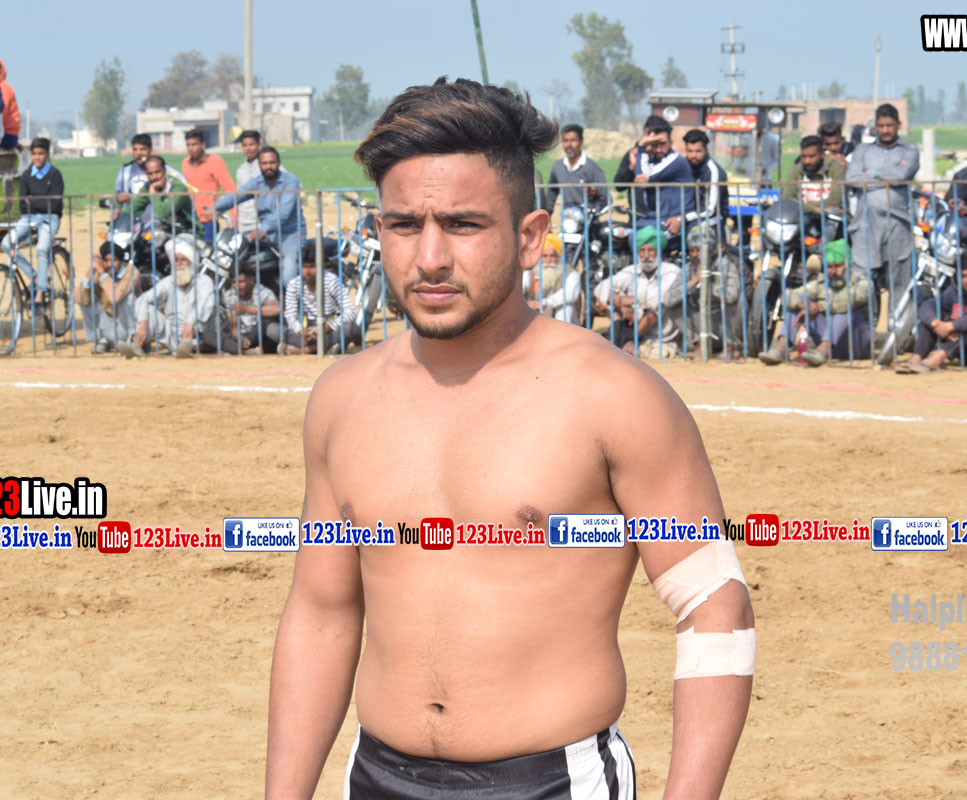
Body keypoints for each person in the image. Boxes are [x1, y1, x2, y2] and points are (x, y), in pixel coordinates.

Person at [269, 78, 752, 800]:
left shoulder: (613, 396)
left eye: (463, 225)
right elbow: (321, 612)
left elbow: (714, 604)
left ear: (530, 237)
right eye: (404, 225)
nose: (430, 257)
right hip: (374, 776)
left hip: (552, 783)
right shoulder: (341, 399)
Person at [845, 103, 920, 312]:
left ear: (898, 125)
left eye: (890, 125)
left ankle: (897, 329)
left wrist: (869, 175)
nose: (885, 130)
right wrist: (887, 177)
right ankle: (864, 327)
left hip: (898, 223)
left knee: (899, 280)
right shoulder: (863, 150)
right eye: (881, 126)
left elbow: (902, 175)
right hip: (866, 224)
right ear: (875, 127)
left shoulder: (910, 150)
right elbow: (852, 178)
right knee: (862, 280)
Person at [758, 239, 871, 366]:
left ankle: (823, 350)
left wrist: (820, 307)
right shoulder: (820, 283)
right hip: (832, 347)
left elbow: (847, 301)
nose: (833, 271)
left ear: (848, 264)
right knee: (801, 300)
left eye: (838, 266)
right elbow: (788, 297)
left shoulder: (862, 283)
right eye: (829, 267)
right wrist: (803, 306)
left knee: (846, 310)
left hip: (857, 345)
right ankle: (781, 349)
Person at [896, 250, 967, 373]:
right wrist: (937, 324)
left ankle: (937, 358)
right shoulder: (954, 290)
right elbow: (928, 305)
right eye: (964, 276)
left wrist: (951, 326)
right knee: (933, 316)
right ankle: (916, 358)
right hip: (959, 347)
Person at [214, 146, 305, 286]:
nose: (268, 167)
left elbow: (284, 212)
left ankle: (294, 299)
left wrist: (263, 228)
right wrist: (217, 207)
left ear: (279, 163)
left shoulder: (290, 181)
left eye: (272, 162)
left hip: (290, 234)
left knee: (288, 278)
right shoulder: (257, 183)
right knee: (240, 261)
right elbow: (238, 195)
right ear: (259, 165)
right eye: (264, 163)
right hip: (266, 235)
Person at [594, 225, 686, 356]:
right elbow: (600, 288)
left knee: (656, 309)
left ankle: (629, 341)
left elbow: (657, 301)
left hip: (660, 331)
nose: (646, 256)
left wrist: (633, 303)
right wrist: (620, 303)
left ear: (659, 251)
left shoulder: (671, 271)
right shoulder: (631, 270)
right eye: (642, 250)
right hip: (632, 322)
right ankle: (619, 344)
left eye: (651, 250)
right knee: (614, 302)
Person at [119, 237, 215, 358]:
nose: (179, 264)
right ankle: (137, 345)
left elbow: (207, 304)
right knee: (146, 307)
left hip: (196, 334)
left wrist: (191, 321)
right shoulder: (169, 281)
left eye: (183, 260)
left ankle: (187, 347)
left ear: (192, 262)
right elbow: (144, 298)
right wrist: (143, 323)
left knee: (195, 328)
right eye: (177, 260)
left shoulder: (204, 281)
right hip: (172, 334)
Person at [0, 137, 64, 311]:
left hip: (50, 218)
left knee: (42, 249)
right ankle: (34, 276)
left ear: (47, 154)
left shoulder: (55, 175)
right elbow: (22, 205)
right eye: (34, 154)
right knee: (6, 243)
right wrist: (40, 201)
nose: (37, 157)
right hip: (29, 218)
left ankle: (40, 292)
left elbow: (55, 205)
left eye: (41, 154)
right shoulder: (27, 176)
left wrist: (32, 201)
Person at [273, 238, 361, 355]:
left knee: (351, 327)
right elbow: (290, 315)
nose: (308, 271)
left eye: (312, 266)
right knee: (272, 329)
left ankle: (306, 350)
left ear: (320, 266)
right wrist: (301, 331)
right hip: (305, 333)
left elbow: (350, 311)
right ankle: (324, 348)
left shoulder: (331, 280)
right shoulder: (294, 284)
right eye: (304, 267)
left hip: (329, 329)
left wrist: (327, 327)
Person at [630, 118, 696, 242]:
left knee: (640, 240)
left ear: (670, 143)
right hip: (654, 219)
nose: (659, 149)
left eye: (662, 144)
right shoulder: (653, 162)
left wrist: (642, 146)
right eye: (655, 144)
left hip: (673, 222)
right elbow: (639, 176)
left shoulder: (676, 160)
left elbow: (643, 174)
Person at [684, 225, 744, 357]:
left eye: (699, 250)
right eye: (692, 250)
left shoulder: (725, 266)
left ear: (711, 251)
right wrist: (694, 282)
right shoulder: (688, 268)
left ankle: (730, 347)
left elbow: (731, 296)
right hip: (700, 324)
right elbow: (668, 298)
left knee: (740, 300)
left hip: (723, 324)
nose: (695, 254)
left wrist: (708, 284)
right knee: (677, 303)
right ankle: (699, 345)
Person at [76, 241, 137, 353]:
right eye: (106, 261)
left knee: (128, 299)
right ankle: (101, 340)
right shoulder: (101, 272)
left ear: (121, 261)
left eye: (114, 260)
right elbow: (79, 299)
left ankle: (133, 340)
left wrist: (103, 275)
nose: (109, 264)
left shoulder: (131, 272)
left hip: (126, 326)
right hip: (108, 325)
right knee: (86, 300)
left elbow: (116, 298)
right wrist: (91, 270)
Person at [206, 267, 280, 354]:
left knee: (267, 320)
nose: (236, 286)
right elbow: (234, 327)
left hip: (262, 335)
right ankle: (244, 350)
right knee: (211, 335)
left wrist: (247, 309)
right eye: (234, 282)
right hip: (244, 337)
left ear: (251, 280)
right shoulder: (230, 295)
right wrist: (241, 338)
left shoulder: (262, 292)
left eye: (240, 282)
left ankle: (242, 351)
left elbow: (277, 309)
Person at [181, 129, 236, 245]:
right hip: (190, 218)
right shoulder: (185, 163)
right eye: (188, 145)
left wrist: (233, 219)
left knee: (207, 250)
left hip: (208, 219)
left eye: (194, 144)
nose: (191, 148)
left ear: (203, 144)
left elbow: (229, 189)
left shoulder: (214, 161)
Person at [112, 134, 186, 218]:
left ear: (151, 150)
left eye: (142, 149)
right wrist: (119, 199)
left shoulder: (167, 171)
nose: (138, 153)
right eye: (135, 149)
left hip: (162, 220)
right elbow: (117, 195)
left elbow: (182, 186)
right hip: (134, 219)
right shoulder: (125, 170)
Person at [542, 124, 609, 215]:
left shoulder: (592, 168)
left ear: (581, 142)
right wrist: (547, 212)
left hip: (587, 220)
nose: (569, 145)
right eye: (565, 141)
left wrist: (593, 211)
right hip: (567, 219)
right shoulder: (558, 167)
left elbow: (604, 197)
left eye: (573, 140)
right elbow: (552, 192)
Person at [132, 155, 201, 238]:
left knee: (170, 244)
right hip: (164, 233)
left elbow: (162, 213)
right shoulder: (148, 186)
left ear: (164, 171)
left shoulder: (177, 187)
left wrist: (153, 192)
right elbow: (133, 207)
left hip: (188, 232)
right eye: (150, 173)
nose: (154, 177)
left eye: (157, 172)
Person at [681, 129, 729, 239]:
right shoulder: (683, 166)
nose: (693, 155)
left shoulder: (714, 172)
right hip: (688, 218)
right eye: (689, 151)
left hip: (712, 219)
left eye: (698, 151)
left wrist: (682, 218)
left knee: (693, 233)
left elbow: (710, 209)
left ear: (706, 150)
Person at [524, 232, 582, 323]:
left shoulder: (571, 273)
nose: (548, 260)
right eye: (545, 256)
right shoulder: (531, 274)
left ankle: (561, 332)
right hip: (536, 317)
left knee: (566, 307)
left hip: (562, 320)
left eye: (552, 256)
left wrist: (543, 303)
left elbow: (570, 294)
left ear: (559, 257)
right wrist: (527, 304)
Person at [781, 135, 845, 215]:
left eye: (811, 156)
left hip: (831, 216)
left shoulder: (835, 168)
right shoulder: (797, 169)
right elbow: (787, 198)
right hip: (804, 215)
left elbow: (835, 200)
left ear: (822, 154)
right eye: (804, 156)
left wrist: (802, 206)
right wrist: (814, 209)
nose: (807, 161)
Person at [233, 129, 263, 233]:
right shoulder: (240, 170)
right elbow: (239, 196)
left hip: (262, 221)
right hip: (244, 221)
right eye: (245, 145)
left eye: (251, 144)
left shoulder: (267, 167)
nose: (248, 148)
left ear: (259, 145)